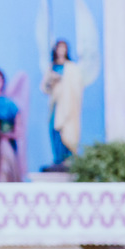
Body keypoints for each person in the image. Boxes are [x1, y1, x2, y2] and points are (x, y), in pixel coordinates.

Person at [41, 39, 84, 168]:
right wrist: (52, 81)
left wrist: (64, 82)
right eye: (59, 48)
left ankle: (68, 159)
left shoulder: (71, 68)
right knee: (55, 129)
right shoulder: (52, 67)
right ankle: (58, 159)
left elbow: (77, 87)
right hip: (56, 104)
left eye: (63, 48)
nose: (61, 51)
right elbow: (44, 88)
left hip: (68, 105)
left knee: (67, 130)